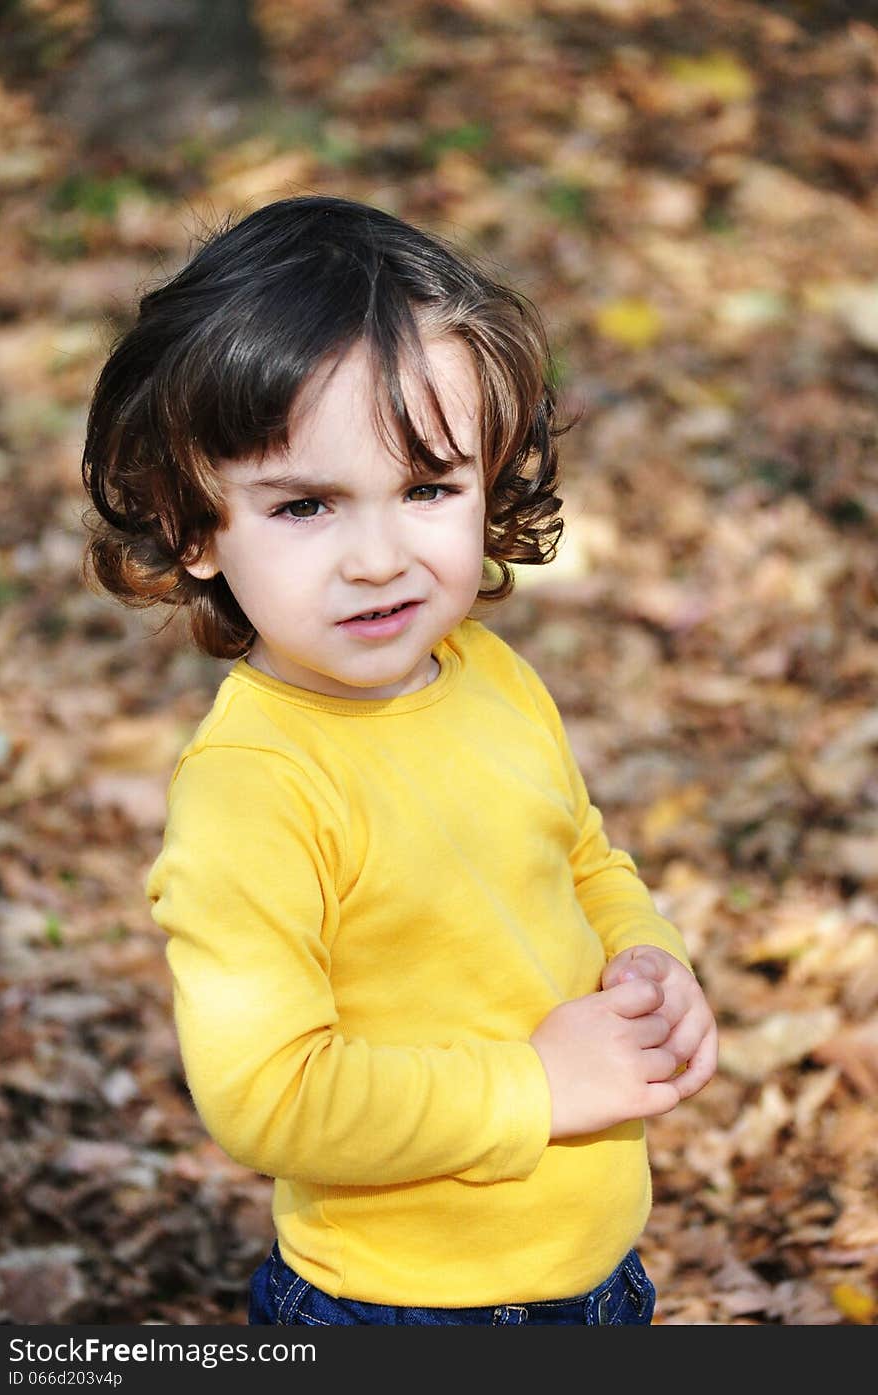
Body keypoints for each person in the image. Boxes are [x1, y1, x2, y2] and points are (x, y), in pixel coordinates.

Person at [81, 194, 718, 1327]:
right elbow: (269, 1094)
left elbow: (582, 859)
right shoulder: (255, 788)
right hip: (400, 1304)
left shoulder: (489, 674)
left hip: (596, 1274)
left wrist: (646, 963)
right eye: (306, 504)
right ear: (193, 526)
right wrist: (538, 1085)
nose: (378, 559)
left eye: (428, 489)